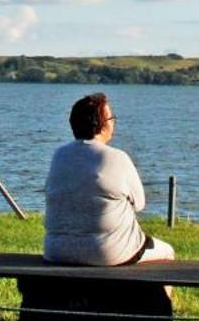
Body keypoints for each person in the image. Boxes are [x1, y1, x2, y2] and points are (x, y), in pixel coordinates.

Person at [43, 92, 175, 265]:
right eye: (111, 118)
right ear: (103, 125)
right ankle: (157, 294)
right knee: (167, 252)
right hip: (109, 252)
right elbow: (140, 204)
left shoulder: (59, 155)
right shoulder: (117, 158)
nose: (114, 123)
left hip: (56, 251)